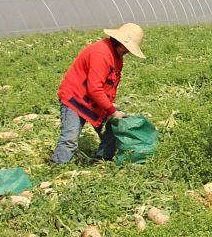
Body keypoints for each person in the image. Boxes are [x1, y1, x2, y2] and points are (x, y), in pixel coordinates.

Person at [53, 23, 145, 164]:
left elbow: (108, 85)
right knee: (70, 139)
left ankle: (102, 159)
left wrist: (110, 108)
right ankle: (56, 167)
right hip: (75, 99)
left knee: (115, 124)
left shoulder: (117, 57)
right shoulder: (101, 54)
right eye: (128, 49)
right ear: (121, 43)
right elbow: (95, 89)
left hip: (92, 100)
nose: (128, 52)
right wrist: (111, 111)